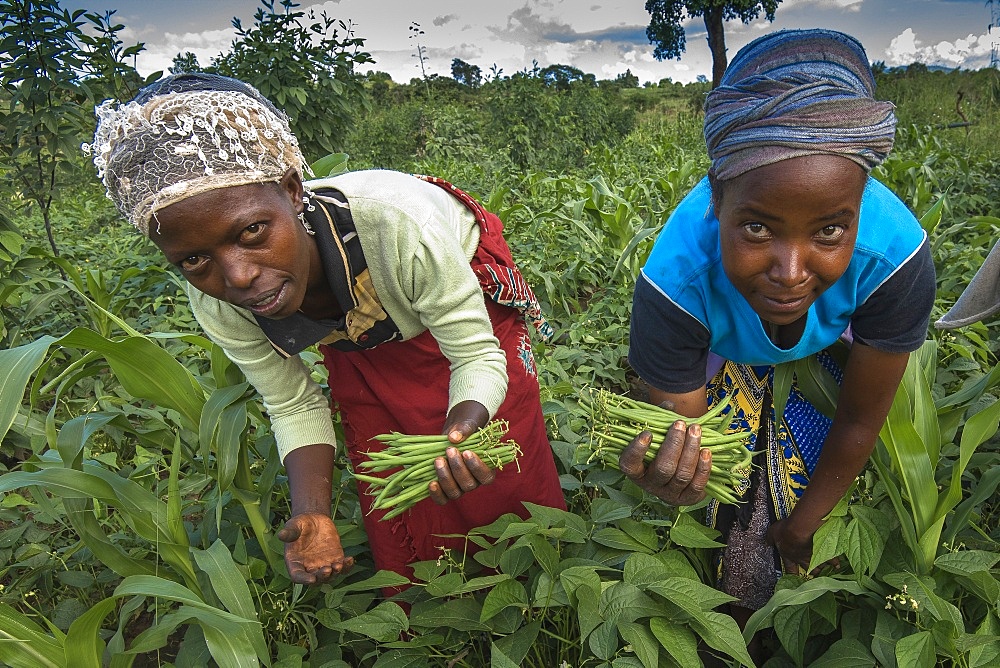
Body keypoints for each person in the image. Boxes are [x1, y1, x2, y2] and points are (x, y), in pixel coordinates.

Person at [86, 73, 565, 586]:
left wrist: (457, 434)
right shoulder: (219, 299)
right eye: (195, 259)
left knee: (497, 449)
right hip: (357, 331)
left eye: (252, 232)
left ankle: (536, 586)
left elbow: (475, 357)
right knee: (383, 454)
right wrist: (311, 511)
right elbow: (292, 403)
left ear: (293, 192)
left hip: (448, 286)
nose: (238, 276)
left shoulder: (397, 227)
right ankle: (429, 598)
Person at [619, 28, 936, 639]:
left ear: (862, 203)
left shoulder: (895, 259)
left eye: (828, 232)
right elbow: (693, 453)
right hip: (721, 348)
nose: (790, 274)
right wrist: (679, 486)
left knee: (814, 505)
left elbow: (859, 422)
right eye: (759, 229)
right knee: (729, 514)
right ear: (716, 199)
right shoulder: (674, 284)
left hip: (836, 340)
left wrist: (801, 526)